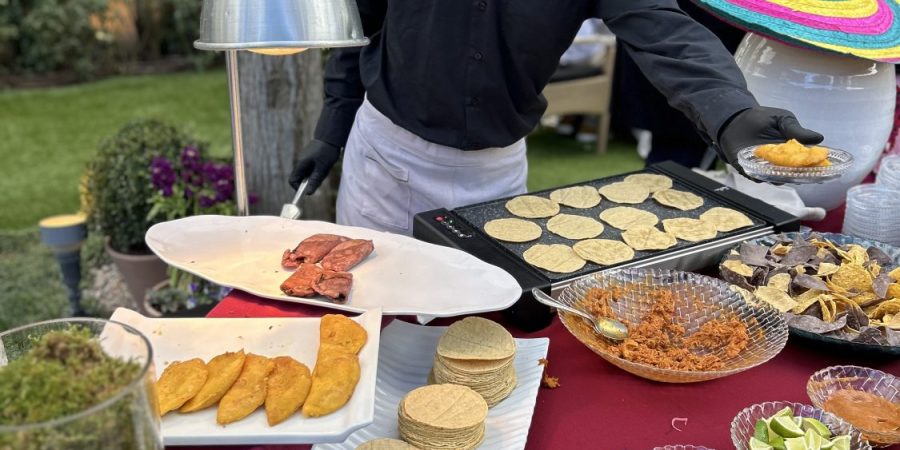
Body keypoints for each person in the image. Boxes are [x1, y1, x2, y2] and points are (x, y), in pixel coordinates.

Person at [290, 0, 824, 236]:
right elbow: (358, 25)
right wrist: (330, 130)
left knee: (477, 339)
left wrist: (731, 114)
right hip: (388, 157)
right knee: (377, 322)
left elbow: (660, 26)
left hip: (495, 173)